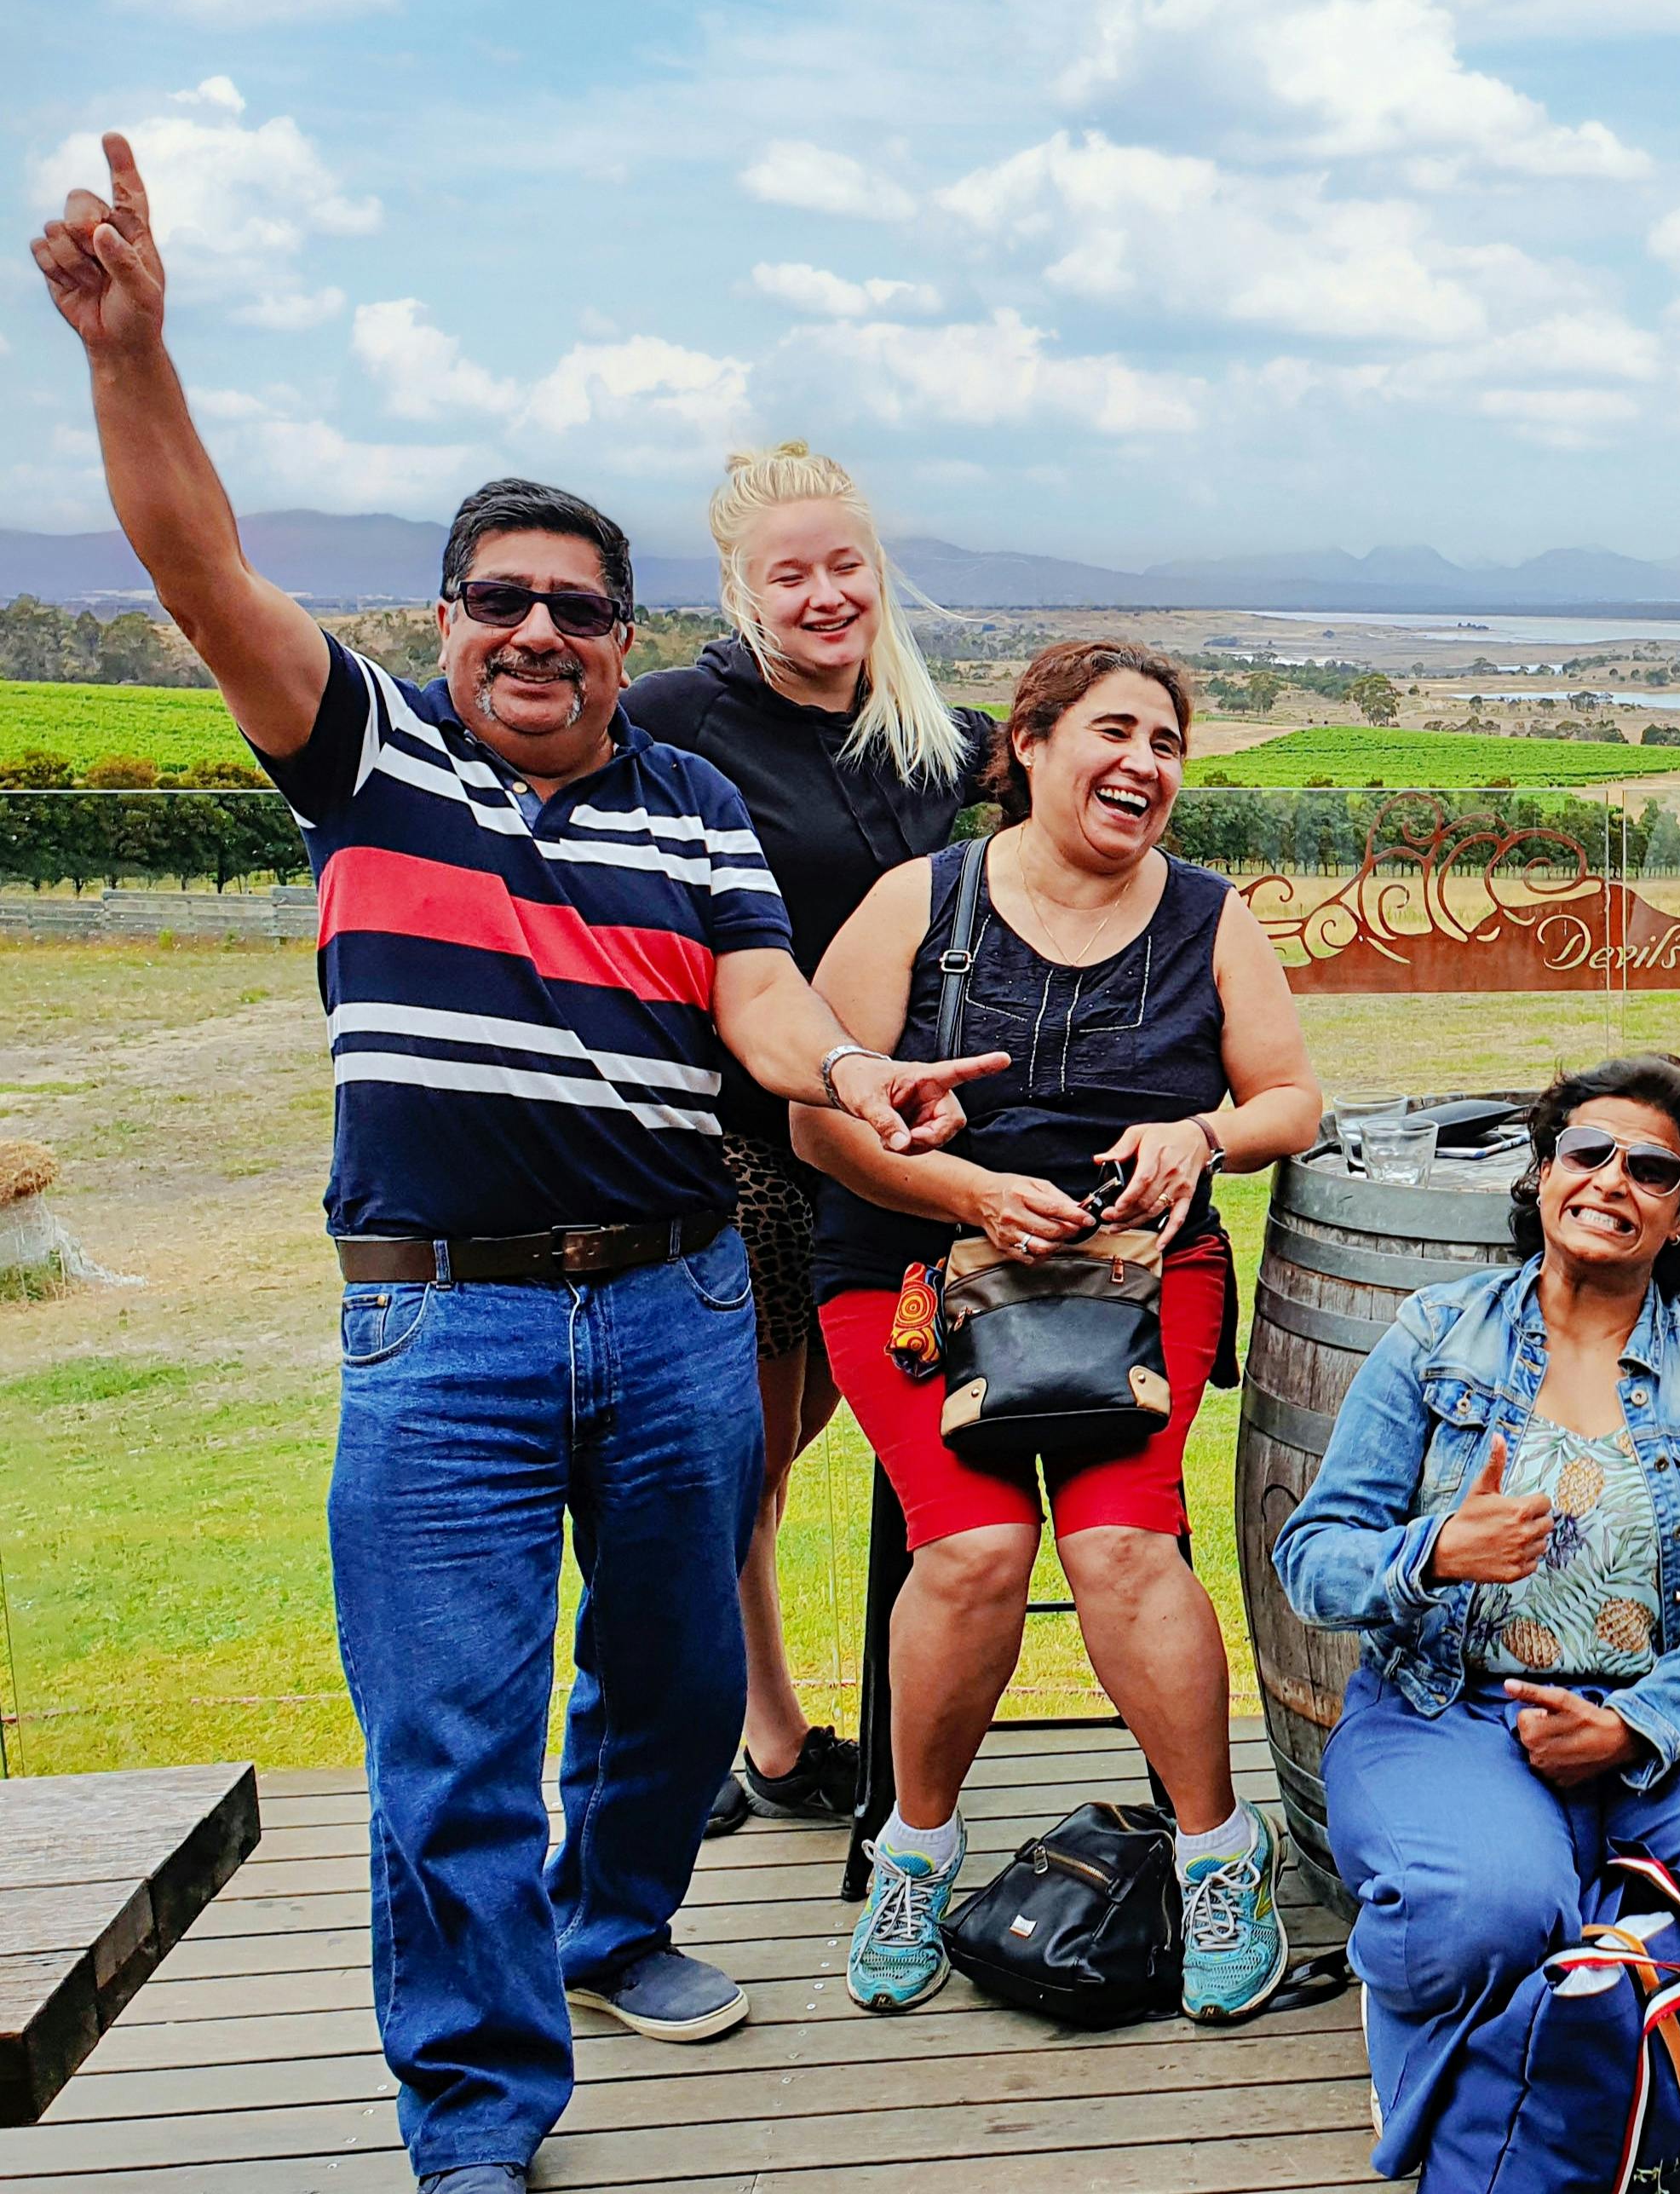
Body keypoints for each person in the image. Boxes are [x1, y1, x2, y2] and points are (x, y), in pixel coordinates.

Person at [30, 138, 1001, 2194]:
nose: (539, 632)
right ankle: (478, 2114)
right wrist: (134, 356)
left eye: (578, 605)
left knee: (656, 1683)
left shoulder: (690, 804)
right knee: (451, 1744)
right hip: (441, 1330)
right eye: (503, 600)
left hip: (669, 1303)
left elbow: (756, 1003)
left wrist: (852, 1069)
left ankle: (616, 1921)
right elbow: (199, 567)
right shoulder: (364, 753)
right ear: (445, 619)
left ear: (624, 628)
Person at [800, 638, 1321, 2021]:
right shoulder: (917, 900)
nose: (1144, 764)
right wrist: (967, 1187)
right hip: (916, 1270)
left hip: (1136, 1277)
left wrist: (1198, 1131)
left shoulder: (1209, 915)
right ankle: (919, 1846)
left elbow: (1289, 1105)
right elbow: (814, 1116)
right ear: (1026, 744)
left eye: (1167, 743)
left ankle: (1218, 1855)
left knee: (1117, 1542)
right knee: (972, 1548)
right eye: (1115, 732)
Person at [1276, 1056, 1680, 2187]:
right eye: (1586, 1151)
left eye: (1651, 1168)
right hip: (1443, 1715)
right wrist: (1434, 1553)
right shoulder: (1435, 1336)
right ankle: (1581, 2024)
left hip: (1643, 1726)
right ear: (1545, 1174)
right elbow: (1309, 1561)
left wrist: (1636, 1726)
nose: (1612, 1179)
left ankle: (1625, 2044)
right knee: (1482, 1911)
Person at [625, 441, 996, 1840]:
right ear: (739, 587)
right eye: (791, 573)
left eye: (846, 565)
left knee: (810, 1435)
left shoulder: (934, 736)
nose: (825, 594)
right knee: (748, 1453)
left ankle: (741, 1722)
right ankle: (758, 1734)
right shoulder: (674, 718)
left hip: (894, 1144)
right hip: (735, 1148)